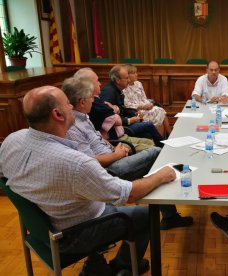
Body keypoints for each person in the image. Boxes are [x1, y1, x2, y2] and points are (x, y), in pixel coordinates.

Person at [0, 86, 177, 275]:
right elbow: (131, 194)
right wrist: (161, 176)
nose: (72, 107)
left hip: (40, 228)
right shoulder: (74, 162)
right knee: (143, 216)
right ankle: (122, 266)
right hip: (72, 234)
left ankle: (95, 266)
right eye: (68, 104)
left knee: (101, 193)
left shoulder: (11, 140)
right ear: (58, 114)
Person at [65, 76, 193, 230]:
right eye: (91, 97)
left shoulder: (84, 116)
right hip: (107, 170)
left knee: (154, 154)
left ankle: (168, 212)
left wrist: (113, 147)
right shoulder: (73, 125)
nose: (94, 100)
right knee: (156, 153)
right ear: (82, 102)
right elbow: (91, 162)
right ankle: (169, 215)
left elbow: (98, 139)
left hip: (113, 153)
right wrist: (116, 154)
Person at [99, 65, 165, 144]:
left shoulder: (117, 89)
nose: (129, 80)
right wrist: (129, 120)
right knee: (149, 125)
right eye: (126, 78)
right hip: (119, 129)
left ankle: (161, 146)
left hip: (124, 123)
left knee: (149, 130)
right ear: (117, 80)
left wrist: (134, 113)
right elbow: (107, 117)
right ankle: (163, 147)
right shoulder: (108, 92)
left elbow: (122, 109)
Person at [123, 64, 172, 136]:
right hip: (135, 111)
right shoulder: (124, 87)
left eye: (136, 72)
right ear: (127, 75)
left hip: (145, 107)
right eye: (133, 73)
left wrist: (149, 105)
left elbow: (144, 98)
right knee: (159, 111)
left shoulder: (138, 84)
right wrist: (142, 107)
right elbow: (127, 105)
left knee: (158, 109)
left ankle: (165, 137)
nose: (136, 75)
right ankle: (167, 135)